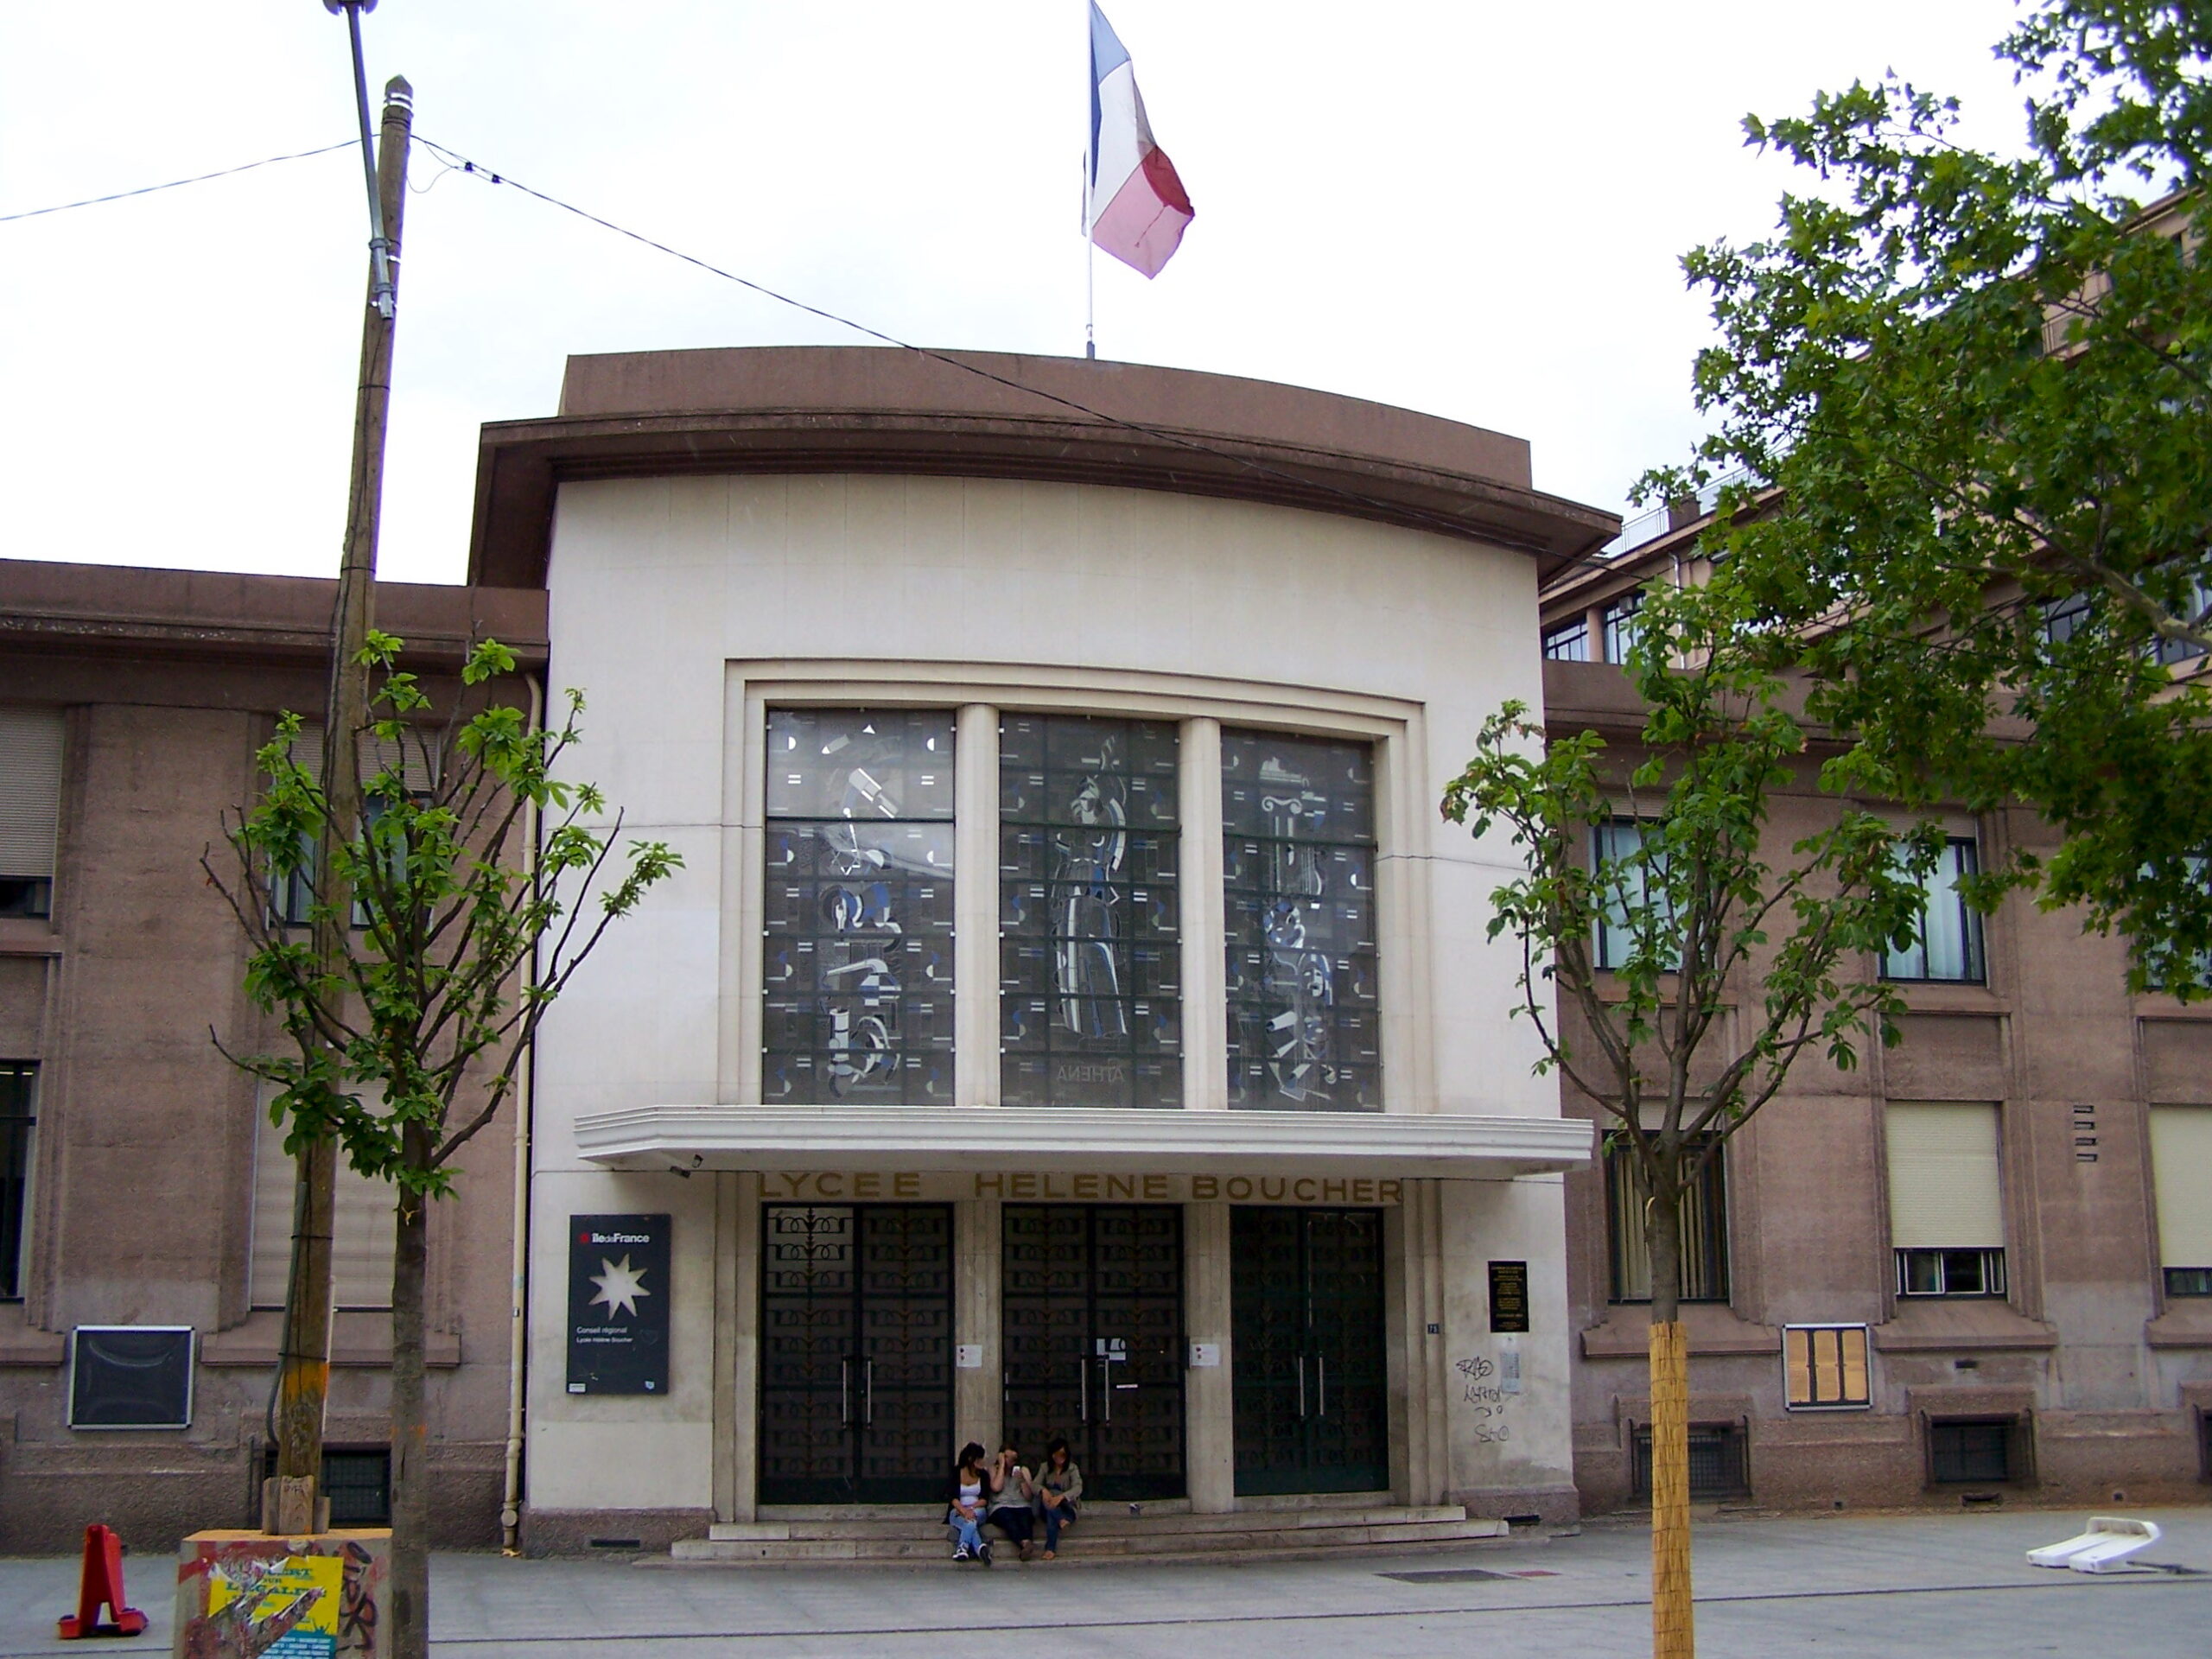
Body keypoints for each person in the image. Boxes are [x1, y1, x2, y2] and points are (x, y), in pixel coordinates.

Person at [1033, 1436, 1084, 1560]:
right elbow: (1034, 1484)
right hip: (1049, 1505)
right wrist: (1043, 1490)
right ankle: (1060, 1521)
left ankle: (1050, 1549)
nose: (1059, 1458)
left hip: (1066, 1506)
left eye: (1062, 1455)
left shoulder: (1072, 1468)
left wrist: (1062, 1497)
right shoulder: (1045, 1467)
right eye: (1056, 1454)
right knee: (1050, 1508)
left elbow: (1078, 1487)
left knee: (1052, 1512)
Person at [985, 1443, 1036, 1560]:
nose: (1010, 1461)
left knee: (1025, 1516)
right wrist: (1002, 1465)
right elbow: (996, 1487)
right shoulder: (993, 1469)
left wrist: (1022, 1480)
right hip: (1000, 1505)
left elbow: (1029, 1497)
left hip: (1021, 1504)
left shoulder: (1023, 1470)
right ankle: (1025, 1543)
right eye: (1007, 1457)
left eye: (1013, 1458)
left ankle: (1026, 1544)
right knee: (1007, 1517)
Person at [947, 1441, 992, 1564]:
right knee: (969, 1522)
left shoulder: (983, 1475)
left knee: (971, 1519)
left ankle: (962, 1547)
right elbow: (953, 1498)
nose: (982, 1461)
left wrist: (971, 1509)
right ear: (971, 1459)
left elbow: (984, 1499)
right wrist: (963, 1510)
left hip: (977, 1509)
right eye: (979, 1459)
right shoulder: (956, 1472)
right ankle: (980, 1548)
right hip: (958, 1510)